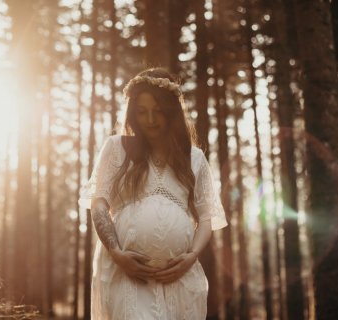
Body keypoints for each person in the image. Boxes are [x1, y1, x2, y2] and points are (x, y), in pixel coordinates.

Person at [79, 68, 228, 319]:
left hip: (179, 279)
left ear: (171, 111)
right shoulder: (117, 148)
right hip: (127, 274)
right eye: (141, 111)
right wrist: (116, 253)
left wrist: (191, 257)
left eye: (157, 111)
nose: (149, 120)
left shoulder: (194, 159)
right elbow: (99, 204)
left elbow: (206, 219)